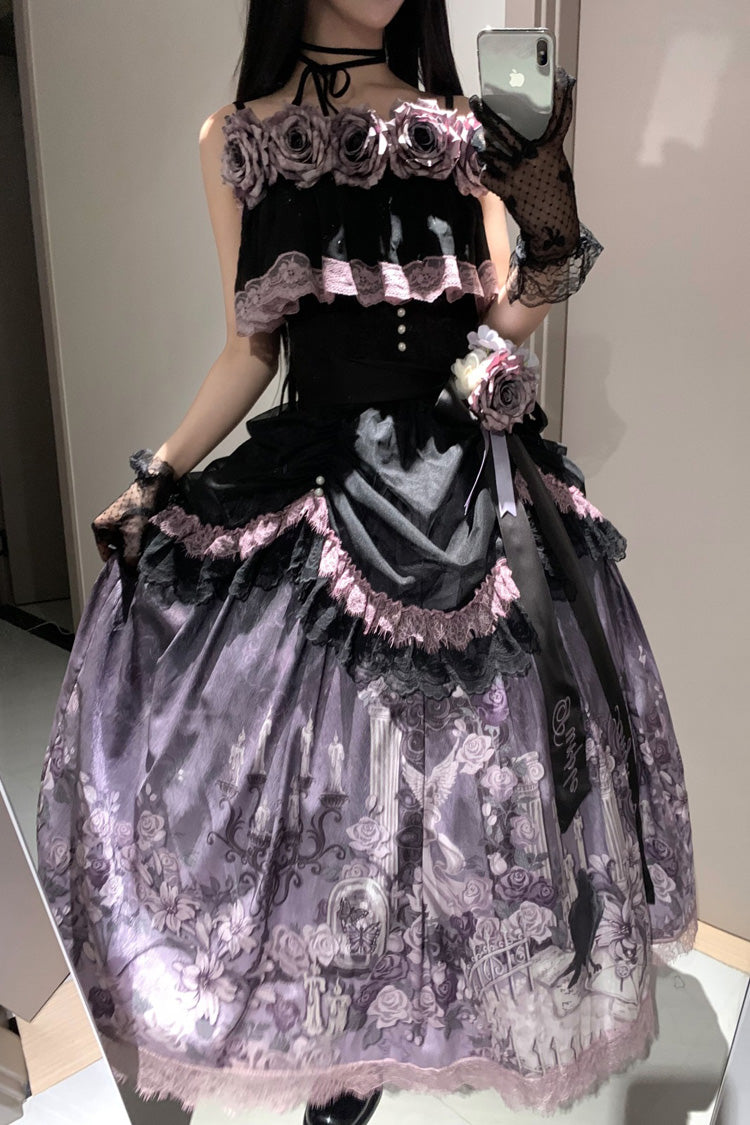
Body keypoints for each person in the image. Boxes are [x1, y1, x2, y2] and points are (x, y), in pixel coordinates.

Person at [35, 1, 698, 1123]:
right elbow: (250, 350)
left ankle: (380, 1061)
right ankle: (326, 1073)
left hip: (469, 500)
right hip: (324, 489)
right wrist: (160, 474)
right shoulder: (238, 137)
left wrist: (544, 205)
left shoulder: (461, 122)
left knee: (449, 817)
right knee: (328, 815)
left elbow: (506, 314)